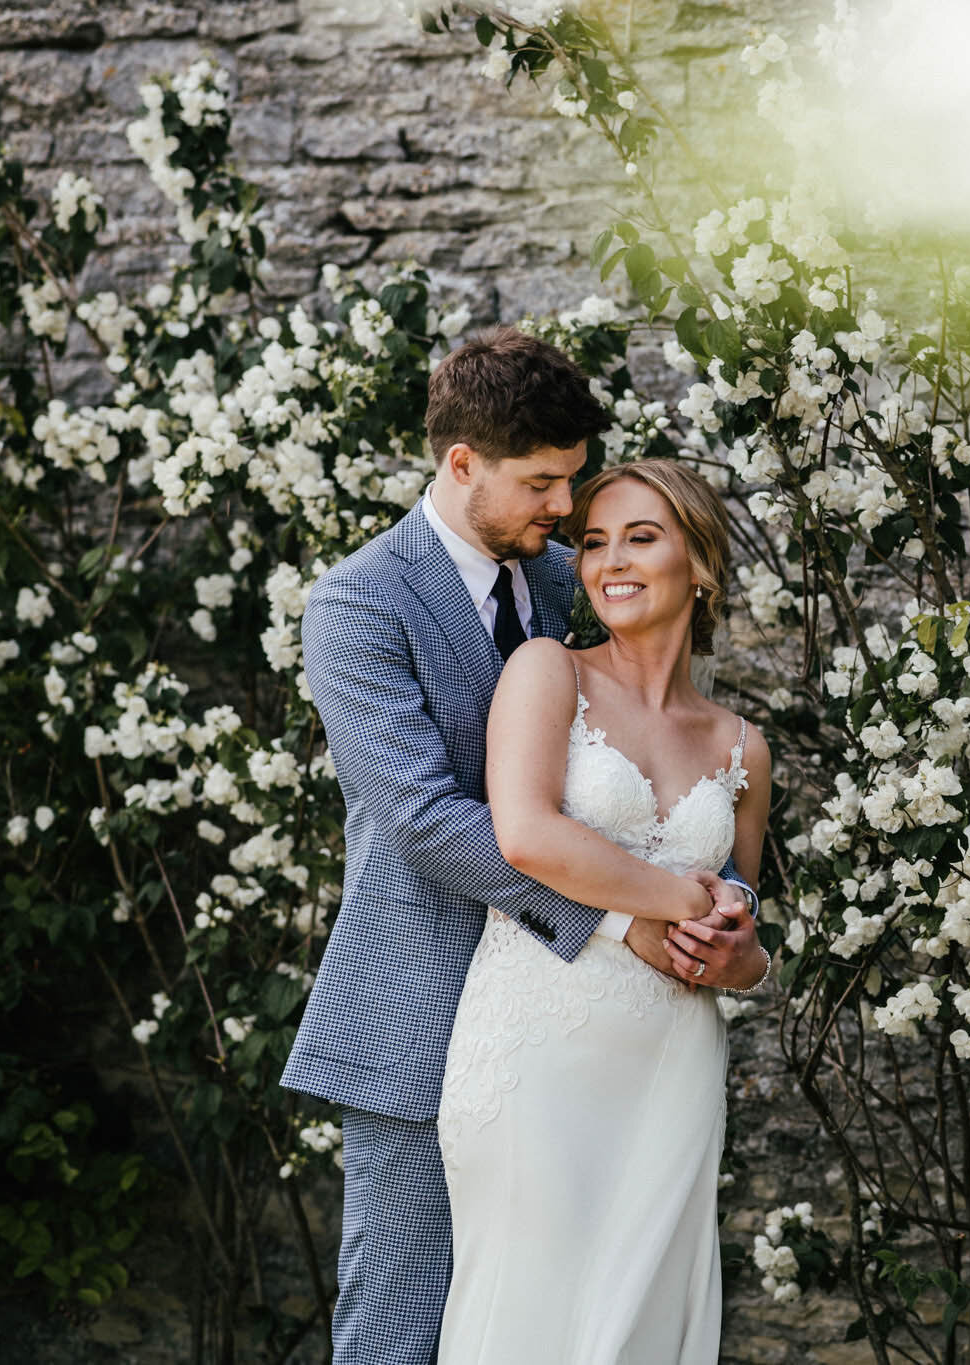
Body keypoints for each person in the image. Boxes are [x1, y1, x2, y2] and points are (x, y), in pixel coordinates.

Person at [281, 328, 764, 1365]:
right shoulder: (358, 604)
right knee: (403, 1325)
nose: (566, 513)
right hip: (422, 1010)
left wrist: (728, 921)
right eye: (543, 484)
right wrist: (619, 916)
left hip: (588, 1040)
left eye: (574, 486)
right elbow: (421, 819)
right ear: (462, 465)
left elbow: (645, 758)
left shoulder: (559, 580)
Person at [434, 457, 770, 1363]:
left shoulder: (742, 744)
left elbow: (746, 904)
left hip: (670, 1066)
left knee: (644, 1329)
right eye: (592, 542)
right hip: (537, 1053)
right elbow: (527, 835)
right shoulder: (548, 672)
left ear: (699, 563)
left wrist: (746, 957)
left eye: (641, 537)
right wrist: (673, 900)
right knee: (525, 1321)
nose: (610, 560)